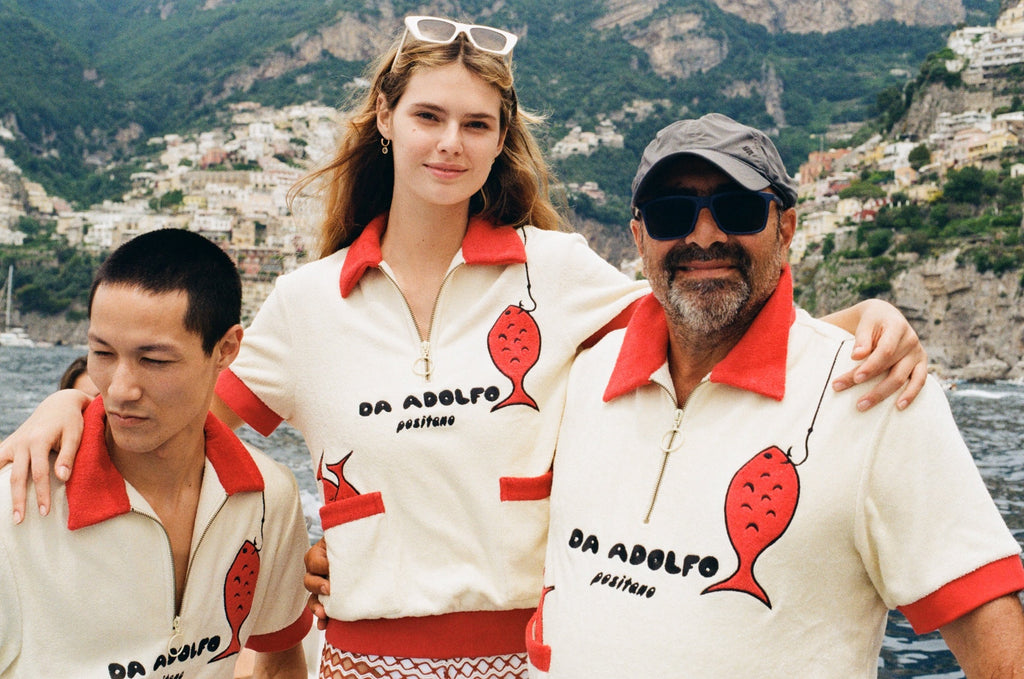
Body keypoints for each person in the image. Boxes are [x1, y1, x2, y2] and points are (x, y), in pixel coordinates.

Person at [1, 18, 926, 679]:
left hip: (530, 661)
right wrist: (69, 400)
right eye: (430, 117)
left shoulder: (558, 272)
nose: (450, 142)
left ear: (499, 143)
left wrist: (859, 320)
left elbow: (700, 327)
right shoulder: (307, 304)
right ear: (386, 120)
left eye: (476, 124)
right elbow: (175, 405)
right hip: (362, 658)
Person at [524, 113, 1024, 678]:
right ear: (640, 238)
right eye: (671, 214)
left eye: (736, 209)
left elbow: (986, 621)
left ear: (785, 228)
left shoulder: (873, 395)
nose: (704, 235)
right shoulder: (582, 376)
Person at [0, 229, 313, 677]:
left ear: (226, 350)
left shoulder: (269, 497)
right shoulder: (14, 509)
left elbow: (278, 659)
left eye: (154, 361)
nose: (120, 390)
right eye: (102, 353)